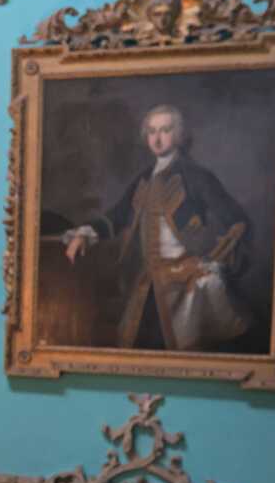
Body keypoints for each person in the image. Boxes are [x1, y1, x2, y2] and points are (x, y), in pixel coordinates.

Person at [62, 104, 253, 351]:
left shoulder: (196, 176)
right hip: (149, 281)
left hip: (188, 285)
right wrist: (83, 235)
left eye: (165, 130)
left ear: (179, 135)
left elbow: (237, 221)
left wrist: (215, 261)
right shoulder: (144, 179)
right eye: (152, 131)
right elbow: (117, 215)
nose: (157, 138)